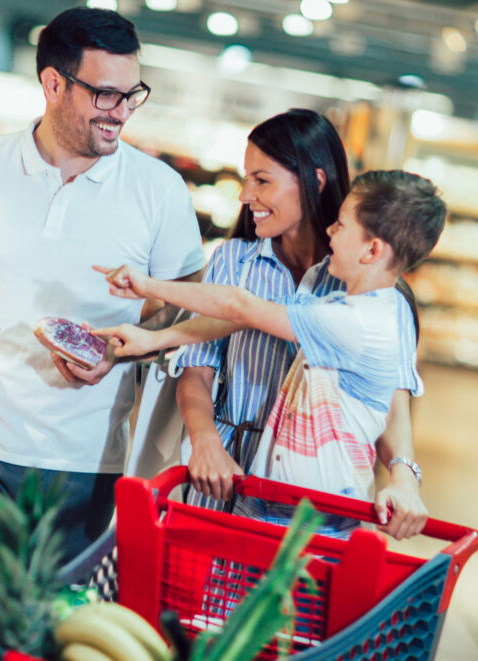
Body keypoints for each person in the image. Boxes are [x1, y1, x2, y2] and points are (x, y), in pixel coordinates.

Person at [0, 7, 205, 660]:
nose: (120, 111)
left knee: (41, 642)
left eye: (132, 94)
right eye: (104, 94)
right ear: (53, 83)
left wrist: (121, 347)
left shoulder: (160, 192)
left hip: (86, 461)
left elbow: (188, 317)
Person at [95, 169, 446, 537]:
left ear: (372, 250)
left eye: (341, 226)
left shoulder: (352, 322)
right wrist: (153, 340)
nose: (329, 231)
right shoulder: (357, 305)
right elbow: (243, 319)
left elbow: (239, 306)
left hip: (303, 524)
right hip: (284, 507)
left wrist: (148, 285)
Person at [158, 109, 427, 539]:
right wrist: (205, 442)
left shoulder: (367, 295)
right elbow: (197, 368)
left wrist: (404, 476)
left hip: (310, 505)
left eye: (262, 180)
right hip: (222, 480)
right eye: (247, 179)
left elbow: (390, 404)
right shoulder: (235, 261)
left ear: (314, 180)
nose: (246, 196)